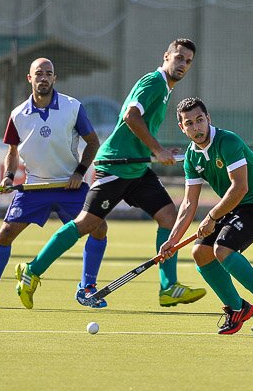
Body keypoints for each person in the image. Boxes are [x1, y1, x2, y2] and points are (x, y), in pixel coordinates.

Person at [14, 39, 206, 310]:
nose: (183, 64)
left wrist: (157, 151)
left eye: (188, 61)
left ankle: (168, 287)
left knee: (169, 218)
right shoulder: (154, 82)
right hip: (116, 165)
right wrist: (157, 148)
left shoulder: (164, 89)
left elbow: (138, 125)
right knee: (86, 224)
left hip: (136, 168)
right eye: (179, 58)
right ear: (166, 57)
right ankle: (32, 271)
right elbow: (130, 116)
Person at [0, 58, 108, 309]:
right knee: (5, 234)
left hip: (70, 185)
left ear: (54, 78)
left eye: (49, 74)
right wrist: (8, 177)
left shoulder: (72, 107)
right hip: (34, 187)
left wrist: (79, 172)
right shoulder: (17, 114)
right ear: (29, 78)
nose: (44, 78)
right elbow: (12, 153)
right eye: (39, 74)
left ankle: (87, 287)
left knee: (98, 228)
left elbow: (92, 143)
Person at [159, 97, 253, 334]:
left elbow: (240, 187)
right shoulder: (192, 157)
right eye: (189, 123)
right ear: (182, 127)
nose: (196, 127)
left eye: (200, 120)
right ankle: (237, 308)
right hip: (237, 208)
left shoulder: (227, 141)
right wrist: (173, 240)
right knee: (200, 252)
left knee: (222, 249)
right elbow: (188, 203)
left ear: (208, 119)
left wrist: (211, 218)